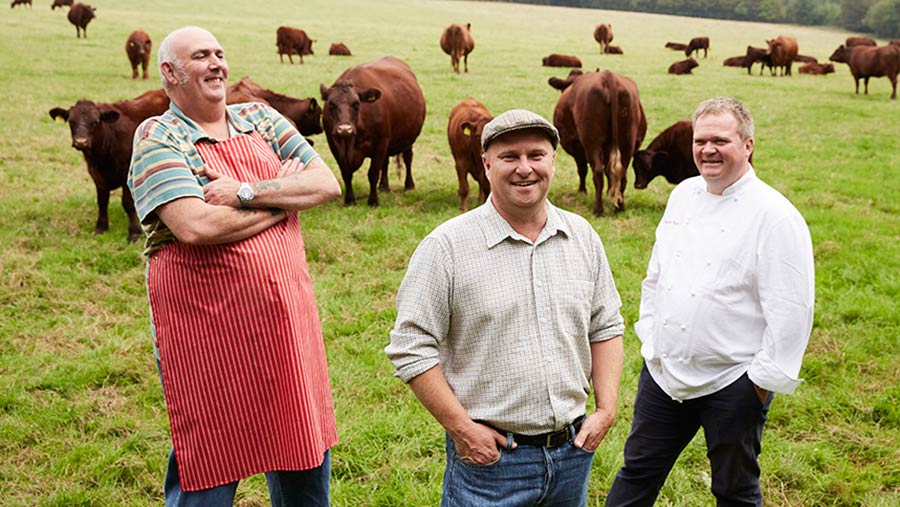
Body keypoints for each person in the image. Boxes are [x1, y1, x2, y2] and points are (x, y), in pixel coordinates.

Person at [127, 26, 342, 506]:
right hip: (207, 328)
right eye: (201, 56)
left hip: (285, 319)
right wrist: (285, 198)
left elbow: (326, 184)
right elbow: (196, 225)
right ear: (170, 72)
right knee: (210, 453)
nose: (216, 64)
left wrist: (246, 191)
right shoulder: (157, 135)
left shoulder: (260, 117)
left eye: (220, 53)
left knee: (301, 446)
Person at [386, 109, 625, 506]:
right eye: (510, 157)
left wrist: (607, 409)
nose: (524, 169)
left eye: (536, 155)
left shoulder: (581, 236)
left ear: (553, 160)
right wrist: (462, 429)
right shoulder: (446, 247)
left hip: (573, 452)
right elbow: (411, 347)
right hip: (492, 461)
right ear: (486, 164)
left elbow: (606, 325)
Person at [604, 97, 815, 506]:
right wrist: (650, 339)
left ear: (748, 145)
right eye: (701, 140)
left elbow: (792, 309)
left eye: (721, 140)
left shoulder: (775, 215)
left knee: (734, 489)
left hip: (732, 380)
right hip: (665, 374)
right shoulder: (683, 194)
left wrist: (759, 384)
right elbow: (657, 275)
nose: (707, 149)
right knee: (637, 473)